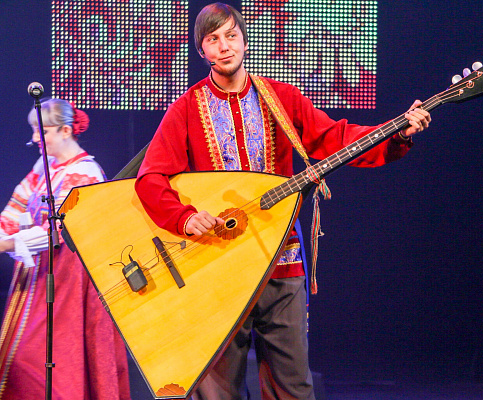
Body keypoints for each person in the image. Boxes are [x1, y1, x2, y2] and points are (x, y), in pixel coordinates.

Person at [134, 3, 431, 399]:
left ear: (244, 40)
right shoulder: (187, 107)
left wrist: (397, 132)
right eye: (213, 39)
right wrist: (184, 218)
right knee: (217, 390)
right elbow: (150, 178)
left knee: (292, 385)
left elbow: (336, 139)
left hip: (281, 259)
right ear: (202, 50)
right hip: (219, 267)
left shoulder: (280, 97)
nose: (224, 46)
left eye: (231, 35)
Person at [0, 99, 131, 399]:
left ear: (65, 131)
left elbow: (60, 229)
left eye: (42, 131)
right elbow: (15, 209)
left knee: (45, 360)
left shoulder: (85, 173)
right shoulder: (44, 167)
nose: (35, 138)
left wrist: (9, 243)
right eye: (34, 130)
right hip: (40, 274)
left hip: (69, 280)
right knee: (19, 359)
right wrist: (3, 233)